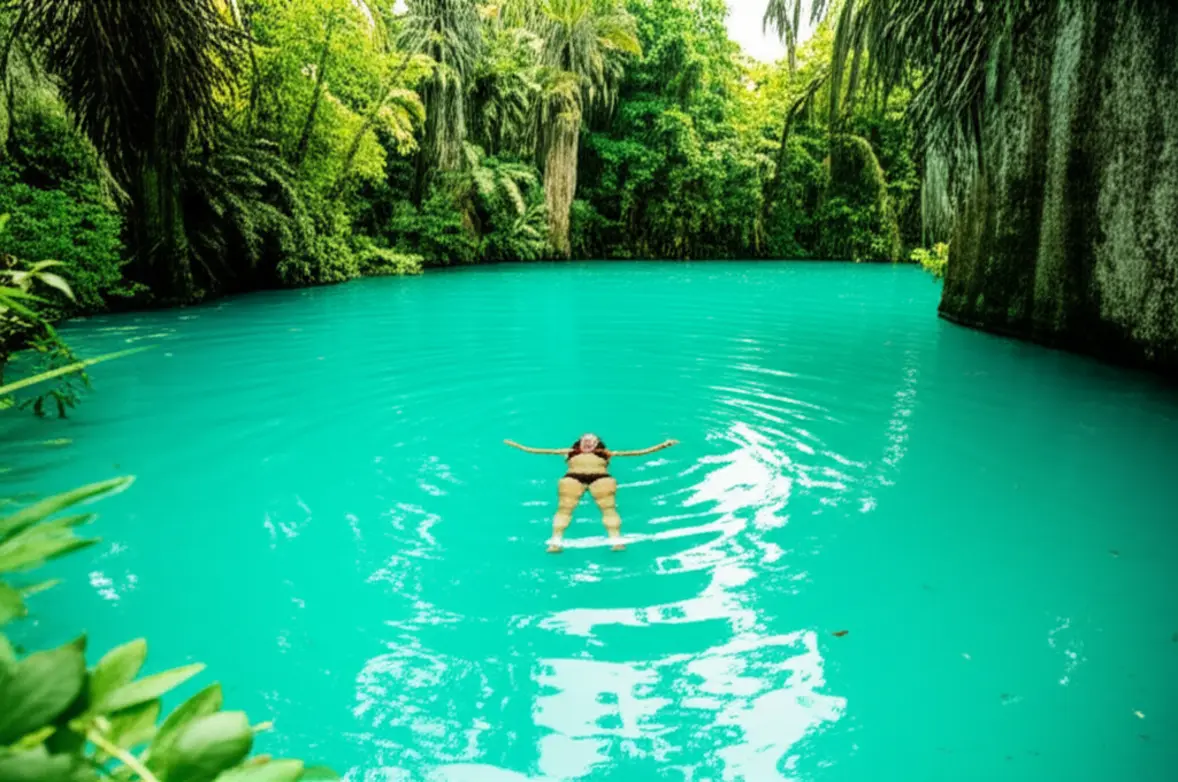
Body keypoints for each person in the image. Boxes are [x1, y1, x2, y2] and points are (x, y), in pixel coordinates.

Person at [504, 433, 679, 552]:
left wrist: (663, 445)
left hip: (601, 478)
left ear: (597, 444)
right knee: (565, 509)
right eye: (585, 439)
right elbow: (537, 450)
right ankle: (555, 542)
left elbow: (638, 453)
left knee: (608, 509)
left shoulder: (606, 453)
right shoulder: (569, 452)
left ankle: (616, 540)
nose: (588, 442)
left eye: (592, 440)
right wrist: (517, 445)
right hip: (572, 478)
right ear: (579, 443)